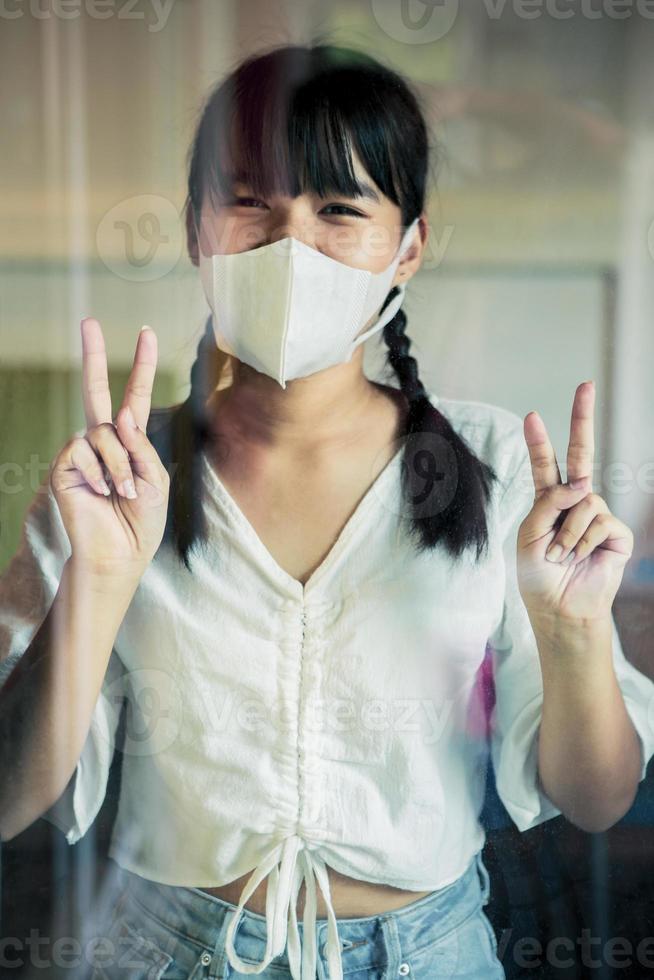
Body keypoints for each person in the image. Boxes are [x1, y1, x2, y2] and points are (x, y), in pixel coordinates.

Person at [2, 42, 654, 980]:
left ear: (410, 247)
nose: (288, 244)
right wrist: (99, 580)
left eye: (339, 209)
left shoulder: (497, 468)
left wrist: (573, 629)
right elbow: (8, 800)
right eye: (249, 201)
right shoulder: (114, 483)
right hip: (162, 949)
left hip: (430, 953)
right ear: (194, 231)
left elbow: (595, 798)